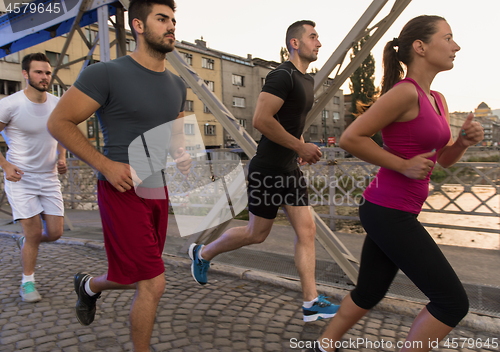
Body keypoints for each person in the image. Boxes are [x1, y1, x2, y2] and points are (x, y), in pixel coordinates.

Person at [306, 15, 484, 352]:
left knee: (369, 292)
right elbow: (350, 137)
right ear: (420, 47)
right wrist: (402, 165)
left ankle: (324, 345)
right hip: (388, 210)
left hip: (395, 210)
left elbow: (441, 159)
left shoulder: (438, 99)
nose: (456, 46)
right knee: (452, 303)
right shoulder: (405, 93)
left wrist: (462, 143)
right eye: (448, 38)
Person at [47, 0, 190, 350]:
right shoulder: (105, 74)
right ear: (138, 25)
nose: (171, 26)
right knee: (153, 283)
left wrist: (182, 153)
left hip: (158, 191)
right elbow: (58, 122)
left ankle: (89, 286)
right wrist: (105, 165)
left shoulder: (177, 84)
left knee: (131, 276)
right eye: (162, 19)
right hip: (120, 189)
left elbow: (173, 129)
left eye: (173, 20)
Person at [188, 20, 339, 322]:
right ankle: (202, 253)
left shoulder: (307, 82)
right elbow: (260, 119)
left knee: (306, 231)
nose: (319, 43)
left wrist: (300, 147)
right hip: (268, 168)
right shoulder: (281, 76)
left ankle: (310, 301)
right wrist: (299, 147)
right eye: (313, 37)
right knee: (256, 234)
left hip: (289, 168)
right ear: (295, 43)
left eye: (318, 37)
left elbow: (288, 123)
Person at [0, 53, 67, 303]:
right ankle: (27, 282)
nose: (44, 77)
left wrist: (61, 157)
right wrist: (5, 165)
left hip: (49, 178)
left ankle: (24, 240)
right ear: (26, 74)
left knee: (56, 232)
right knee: (34, 231)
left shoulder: (58, 103)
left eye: (47, 72)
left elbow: (61, 134)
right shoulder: (10, 104)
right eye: (38, 72)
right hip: (21, 179)